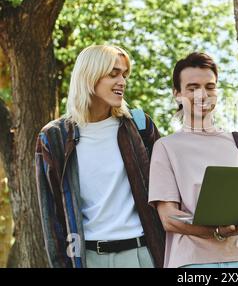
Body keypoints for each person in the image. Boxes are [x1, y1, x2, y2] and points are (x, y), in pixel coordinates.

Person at [35, 45, 165, 268]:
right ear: (89, 76)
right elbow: (52, 218)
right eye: (113, 74)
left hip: (142, 255)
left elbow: (168, 189)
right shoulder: (53, 138)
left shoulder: (139, 125)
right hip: (89, 259)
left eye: (124, 74)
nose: (122, 81)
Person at [148, 52, 238, 268]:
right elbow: (169, 218)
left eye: (210, 87)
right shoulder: (166, 147)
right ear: (177, 94)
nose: (202, 95)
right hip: (193, 262)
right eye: (192, 88)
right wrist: (215, 231)